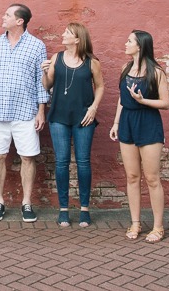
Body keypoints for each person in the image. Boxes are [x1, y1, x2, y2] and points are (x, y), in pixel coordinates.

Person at [0, 4, 49, 223]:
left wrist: (41, 110)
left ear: (19, 21)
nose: (2, 17)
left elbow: (40, 81)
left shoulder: (36, 46)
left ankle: (26, 203)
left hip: (26, 111)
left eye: (7, 15)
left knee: (28, 157)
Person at [108, 30, 169, 243]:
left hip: (149, 123)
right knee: (132, 176)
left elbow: (166, 103)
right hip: (127, 123)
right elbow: (121, 99)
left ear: (140, 46)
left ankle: (158, 226)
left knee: (152, 178)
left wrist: (143, 101)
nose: (125, 44)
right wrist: (116, 122)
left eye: (129, 41)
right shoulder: (125, 68)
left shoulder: (156, 72)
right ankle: (135, 222)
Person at [41, 22, 104, 227]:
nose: (63, 34)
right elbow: (47, 85)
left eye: (67, 33)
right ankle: (64, 209)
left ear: (77, 39)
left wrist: (94, 108)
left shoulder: (91, 62)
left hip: (83, 118)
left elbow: (101, 86)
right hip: (59, 116)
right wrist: (44, 72)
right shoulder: (56, 58)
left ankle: (84, 209)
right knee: (61, 162)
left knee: (83, 162)